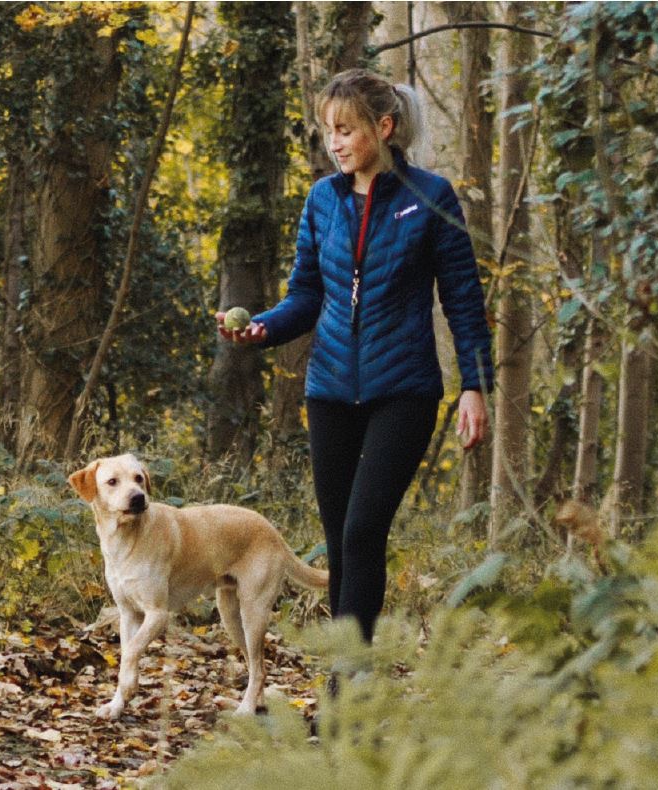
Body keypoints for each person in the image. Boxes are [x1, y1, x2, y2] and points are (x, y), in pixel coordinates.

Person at [216, 69, 493, 644]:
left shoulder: (430, 198)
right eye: (328, 131)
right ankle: (346, 684)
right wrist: (260, 330)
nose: (334, 142)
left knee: (364, 530)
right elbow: (306, 296)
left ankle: (350, 686)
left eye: (345, 129)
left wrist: (475, 384)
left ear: (384, 128)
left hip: (405, 391)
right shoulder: (323, 201)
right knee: (342, 537)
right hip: (331, 393)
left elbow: (463, 298)